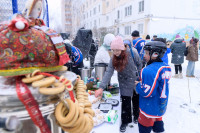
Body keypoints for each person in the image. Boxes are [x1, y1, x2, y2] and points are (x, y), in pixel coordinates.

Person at [95, 36, 142, 132]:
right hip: (123, 81)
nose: (115, 52)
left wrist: (140, 77)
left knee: (136, 99)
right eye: (113, 50)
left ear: (122, 48)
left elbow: (140, 64)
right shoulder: (114, 57)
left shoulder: (132, 52)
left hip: (134, 80)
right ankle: (125, 121)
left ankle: (136, 116)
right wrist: (101, 87)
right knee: (125, 102)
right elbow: (109, 71)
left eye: (117, 50)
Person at [135, 41, 171, 133]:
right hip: (159, 105)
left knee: (144, 127)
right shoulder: (166, 67)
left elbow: (147, 92)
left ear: (155, 54)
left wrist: (138, 85)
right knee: (157, 121)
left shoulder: (148, 70)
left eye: (147, 53)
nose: (144, 55)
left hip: (149, 106)